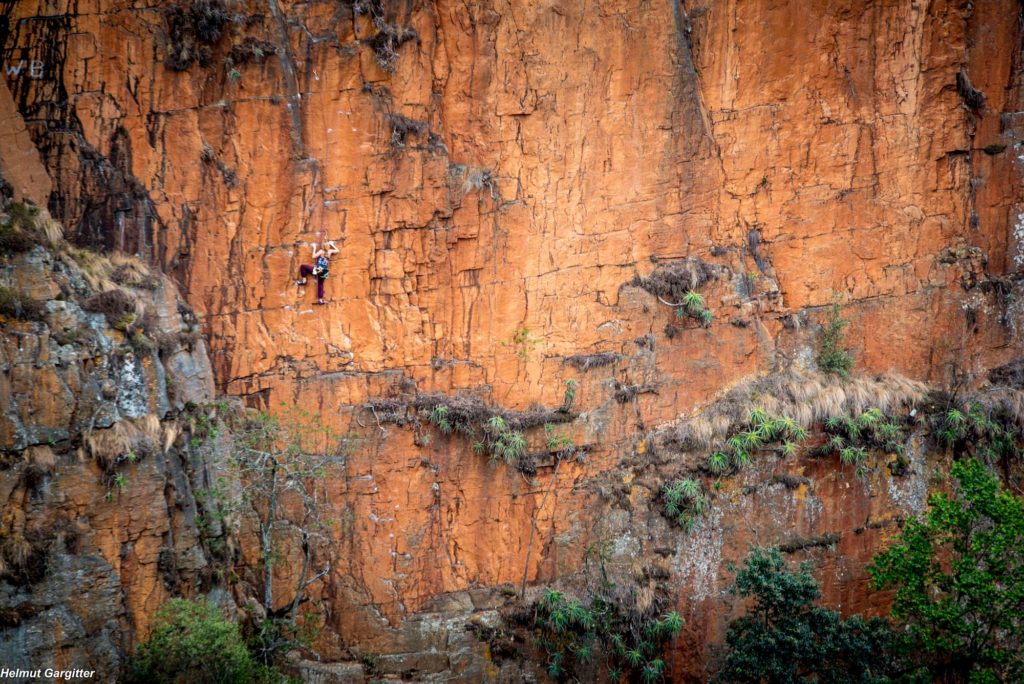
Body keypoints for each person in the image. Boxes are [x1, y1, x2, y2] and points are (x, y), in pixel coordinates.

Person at [296, 240, 339, 305]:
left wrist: (314, 248)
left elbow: (313, 256)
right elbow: (337, 250)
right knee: (320, 284)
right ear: (328, 247)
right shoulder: (330, 251)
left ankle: (304, 281)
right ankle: (320, 300)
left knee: (303, 266)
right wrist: (332, 244)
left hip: (318, 270)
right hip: (324, 271)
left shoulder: (321, 251)